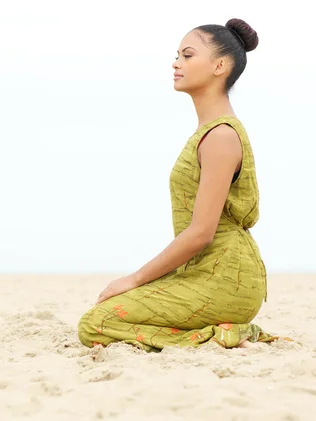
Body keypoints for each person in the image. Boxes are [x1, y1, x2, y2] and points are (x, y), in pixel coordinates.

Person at [78, 18, 283, 352]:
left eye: (188, 56)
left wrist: (133, 278)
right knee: (104, 315)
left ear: (220, 65)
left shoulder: (221, 136)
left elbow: (201, 233)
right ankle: (226, 330)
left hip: (226, 278)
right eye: (177, 55)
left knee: (96, 324)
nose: (176, 63)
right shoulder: (209, 132)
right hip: (204, 272)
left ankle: (224, 334)